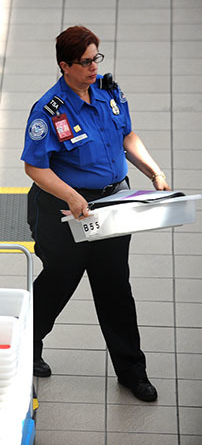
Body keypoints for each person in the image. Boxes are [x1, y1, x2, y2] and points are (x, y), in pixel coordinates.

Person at [21, 26, 170, 402]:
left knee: (115, 286)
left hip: (110, 207)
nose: (93, 68)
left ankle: (132, 371)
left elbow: (127, 136)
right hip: (63, 208)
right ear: (64, 65)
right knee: (59, 281)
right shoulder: (48, 110)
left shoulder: (109, 92)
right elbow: (35, 167)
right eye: (85, 62)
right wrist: (71, 196)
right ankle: (25, 347)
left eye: (96, 59)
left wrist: (152, 170)